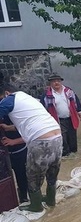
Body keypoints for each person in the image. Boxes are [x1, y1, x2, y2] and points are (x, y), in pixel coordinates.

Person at [0, 83, 62, 212]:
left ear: (6, 93)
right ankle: (50, 199)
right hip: (56, 136)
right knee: (52, 171)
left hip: (41, 141)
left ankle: (36, 206)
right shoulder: (27, 99)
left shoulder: (8, 100)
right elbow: (28, 122)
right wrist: (9, 128)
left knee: (32, 175)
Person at [40, 74, 81, 157]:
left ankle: (74, 154)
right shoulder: (47, 95)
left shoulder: (68, 91)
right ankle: (65, 155)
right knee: (62, 138)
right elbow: (43, 108)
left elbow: (76, 101)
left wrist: (80, 111)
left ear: (61, 82)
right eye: (54, 81)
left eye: (58, 81)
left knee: (72, 137)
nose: (56, 83)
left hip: (70, 118)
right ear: (50, 83)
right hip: (57, 120)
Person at [0, 117, 28, 203]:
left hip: (19, 151)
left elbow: (29, 131)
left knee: (22, 176)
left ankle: (24, 198)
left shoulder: (15, 110)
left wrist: (13, 141)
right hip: (3, 154)